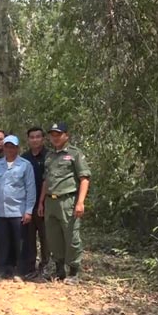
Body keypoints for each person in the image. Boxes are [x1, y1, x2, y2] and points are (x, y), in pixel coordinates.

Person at [37, 122, 91, 285]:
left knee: (71, 236)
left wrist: (80, 202)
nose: (55, 138)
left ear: (66, 135)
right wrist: (41, 202)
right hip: (50, 201)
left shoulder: (75, 154)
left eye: (58, 134)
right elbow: (46, 181)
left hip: (67, 200)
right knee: (53, 238)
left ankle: (73, 271)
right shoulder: (50, 156)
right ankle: (59, 269)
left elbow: (84, 178)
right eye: (52, 135)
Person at [0, 135, 36, 282]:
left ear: (17, 148)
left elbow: (31, 189)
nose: (9, 149)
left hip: (18, 211)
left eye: (12, 147)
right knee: (2, 242)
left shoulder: (25, 165)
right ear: (4, 148)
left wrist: (28, 211)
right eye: (7, 146)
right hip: (0, 211)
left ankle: (20, 271)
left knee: (20, 243)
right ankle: (3, 269)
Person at [21, 126, 49, 279]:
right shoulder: (24, 158)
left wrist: (42, 202)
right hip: (28, 205)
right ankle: (30, 267)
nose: (35, 140)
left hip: (45, 204)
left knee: (46, 237)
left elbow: (49, 180)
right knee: (29, 238)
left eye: (38, 137)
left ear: (43, 139)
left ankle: (45, 266)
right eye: (32, 137)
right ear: (28, 140)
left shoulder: (49, 156)